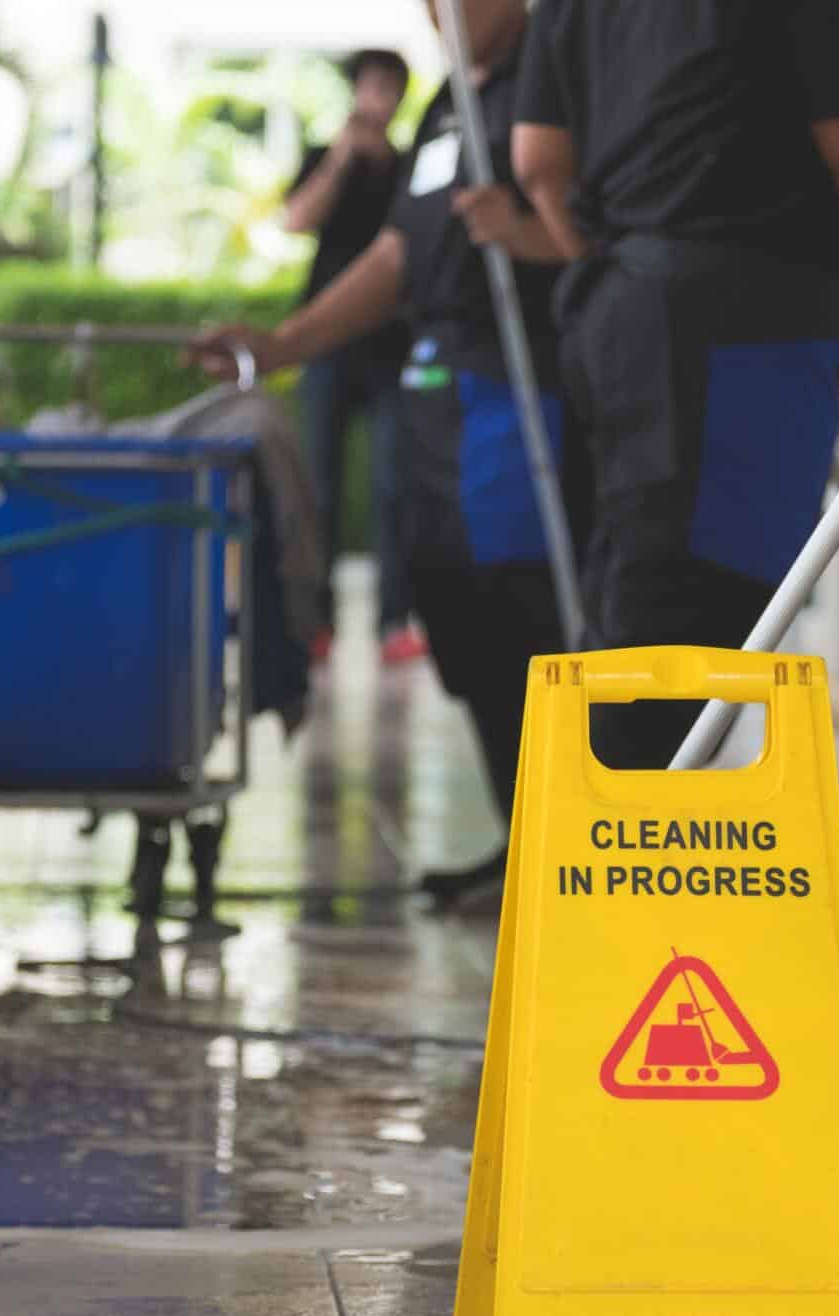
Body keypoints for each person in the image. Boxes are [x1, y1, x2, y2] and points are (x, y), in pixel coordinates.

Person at [197, 0, 575, 911]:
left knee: (526, 612)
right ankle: (525, 838)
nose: (439, 11)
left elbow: (594, 232)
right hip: (434, 390)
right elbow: (399, 254)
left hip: (518, 390)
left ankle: (572, 847)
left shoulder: (553, 81)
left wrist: (530, 234)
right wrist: (284, 344)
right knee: (455, 613)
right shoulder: (449, 103)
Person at [510, 0, 839, 768]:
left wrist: (620, 272)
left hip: (620, 307)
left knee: (636, 597)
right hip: (749, 317)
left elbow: (536, 161)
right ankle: (637, 861)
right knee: (699, 624)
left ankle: (608, 847)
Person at [286, 48, 423, 664]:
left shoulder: (411, 167)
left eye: (388, 88)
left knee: (394, 486)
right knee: (318, 483)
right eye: (369, 86)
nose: (378, 99)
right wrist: (342, 158)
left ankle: (395, 619)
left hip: (392, 347)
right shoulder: (325, 157)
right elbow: (295, 218)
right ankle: (317, 620)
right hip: (328, 346)